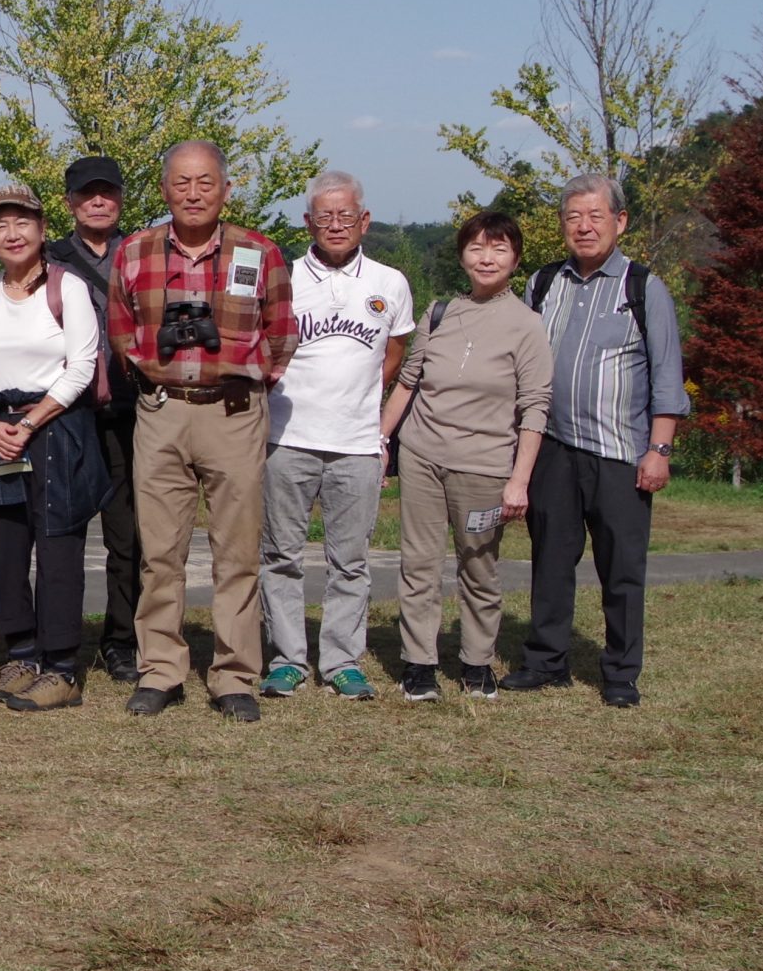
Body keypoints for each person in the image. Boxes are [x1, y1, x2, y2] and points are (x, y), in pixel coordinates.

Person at [106, 141, 297, 721]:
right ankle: (161, 669)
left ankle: (234, 673)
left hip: (234, 414)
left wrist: (246, 374)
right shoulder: (134, 252)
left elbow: (283, 332)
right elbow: (120, 331)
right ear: (164, 190)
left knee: (235, 553)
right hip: (162, 412)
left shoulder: (260, 253)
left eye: (205, 182)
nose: (193, 193)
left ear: (226, 189)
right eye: (182, 183)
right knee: (159, 553)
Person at [509, 174, 686, 707]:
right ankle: (546, 662)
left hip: (620, 454)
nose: (584, 227)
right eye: (573, 217)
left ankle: (620, 675)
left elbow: (667, 377)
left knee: (622, 569)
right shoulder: (542, 284)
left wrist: (659, 450)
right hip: (554, 448)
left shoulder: (643, 287)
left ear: (620, 221)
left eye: (595, 217)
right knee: (552, 561)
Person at [379, 211, 551, 701]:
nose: (486, 257)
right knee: (418, 564)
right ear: (462, 255)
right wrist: (382, 439)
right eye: (477, 247)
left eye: (498, 248)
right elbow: (408, 381)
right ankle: (419, 663)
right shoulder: (439, 312)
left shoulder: (528, 326)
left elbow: (535, 409)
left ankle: (477, 662)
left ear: (515, 258)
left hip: (484, 466)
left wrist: (519, 481)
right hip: (422, 457)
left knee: (478, 566)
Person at [260, 170, 414, 702]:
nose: (335, 224)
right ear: (308, 222)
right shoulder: (281, 276)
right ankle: (286, 659)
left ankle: (342, 660)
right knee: (281, 554)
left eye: (345, 214)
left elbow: (391, 355)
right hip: (288, 436)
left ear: (364, 220)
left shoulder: (390, 283)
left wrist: (366, 414)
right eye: (324, 216)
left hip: (356, 443)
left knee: (350, 561)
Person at [0, 186, 106, 712]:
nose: (13, 233)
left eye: (23, 223)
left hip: (56, 426)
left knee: (58, 545)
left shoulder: (69, 288)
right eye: (0, 226)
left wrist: (30, 420)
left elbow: (82, 367)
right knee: (6, 542)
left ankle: (61, 667)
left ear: (43, 230)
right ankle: (20, 652)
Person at [46, 155, 142, 682]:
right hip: (69, 413)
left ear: (121, 198)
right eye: (88, 194)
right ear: (71, 203)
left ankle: (121, 640)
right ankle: (59, 639)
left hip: (133, 413)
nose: (98, 201)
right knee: (64, 533)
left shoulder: (143, 254)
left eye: (107, 192)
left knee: (128, 537)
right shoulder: (49, 259)